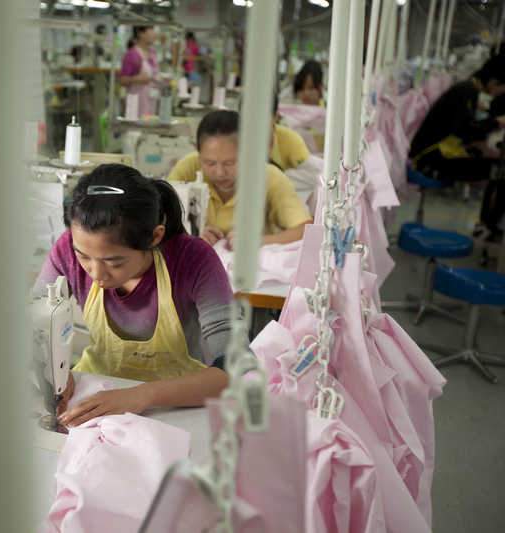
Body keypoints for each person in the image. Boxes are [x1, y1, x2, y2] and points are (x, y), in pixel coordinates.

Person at [33, 164, 232, 427]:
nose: (96, 274)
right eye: (83, 257)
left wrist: (142, 395)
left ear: (154, 237)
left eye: (114, 263)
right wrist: (51, 372)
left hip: (177, 407)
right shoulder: (67, 250)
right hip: (92, 395)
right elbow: (33, 324)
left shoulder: (192, 259)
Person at [168, 110, 313, 249]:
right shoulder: (188, 168)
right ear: (199, 154)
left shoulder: (269, 177)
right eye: (209, 163)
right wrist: (186, 232)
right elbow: (158, 218)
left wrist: (259, 241)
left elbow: (304, 229)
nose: (219, 172)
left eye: (229, 163)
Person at [410, 54, 505, 183]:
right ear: (493, 81)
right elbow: (464, 131)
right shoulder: (466, 91)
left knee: (487, 161)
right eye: (502, 89)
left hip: (434, 152)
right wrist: (496, 123)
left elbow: (463, 128)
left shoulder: (469, 89)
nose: (501, 94)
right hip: (426, 160)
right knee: (494, 168)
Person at [119, 26, 160, 117]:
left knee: (149, 126)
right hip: (136, 105)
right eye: (151, 29)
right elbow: (122, 80)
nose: (155, 33)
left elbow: (153, 74)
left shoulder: (152, 53)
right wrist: (136, 79)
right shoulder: (132, 54)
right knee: (135, 130)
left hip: (151, 102)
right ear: (140, 33)